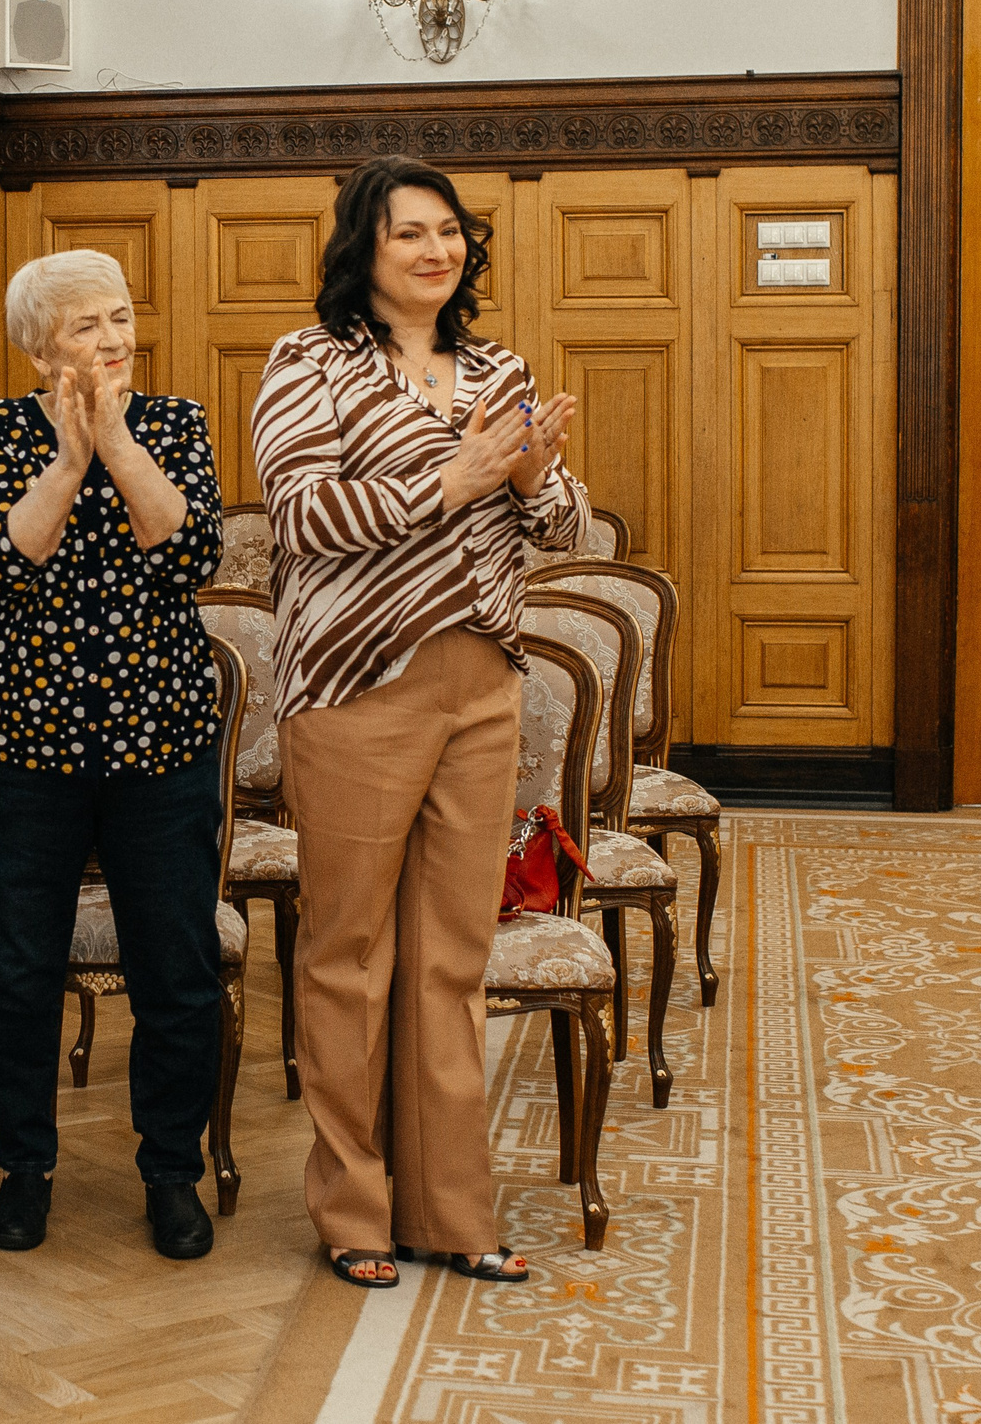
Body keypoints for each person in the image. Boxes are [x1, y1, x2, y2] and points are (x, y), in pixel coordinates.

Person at [249, 155, 587, 1292]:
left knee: (451, 957)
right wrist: (456, 478)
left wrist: (531, 477)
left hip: (482, 683)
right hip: (356, 686)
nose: (436, 250)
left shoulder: (499, 368)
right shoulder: (309, 361)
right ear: (364, 247)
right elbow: (301, 512)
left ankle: (451, 1208)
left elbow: (564, 525)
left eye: (449, 231)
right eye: (409, 233)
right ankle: (354, 1207)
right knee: (349, 955)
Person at [0, 248, 228, 1260]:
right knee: (15, 968)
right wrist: (69, 460)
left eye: (120, 317)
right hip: (29, 739)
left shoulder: (175, 423)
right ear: (40, 351)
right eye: (86, 326)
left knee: (177, 965)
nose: (114, 339)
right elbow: (1, 561)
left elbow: (190, 552)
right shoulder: (1, 430)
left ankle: (172, 1170)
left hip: (160, 734)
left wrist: (115, 441)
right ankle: (24, 1166)